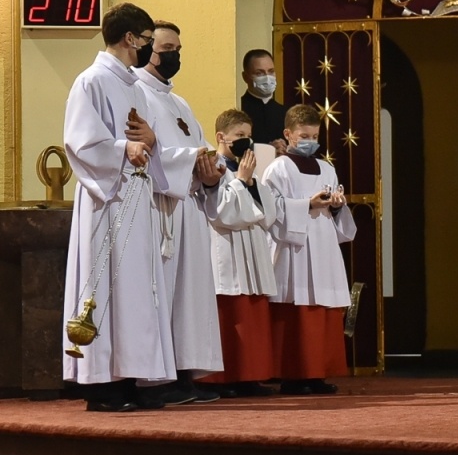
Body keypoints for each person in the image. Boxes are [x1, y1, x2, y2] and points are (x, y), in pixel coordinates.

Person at [61, 2, 175, 411]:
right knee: (107, 286)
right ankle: (101, 386)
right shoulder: (91, 81)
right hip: (106, 198)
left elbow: (147, 141)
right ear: (131, 39)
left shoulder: (131, 84)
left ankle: (131, 376)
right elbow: (80, 142)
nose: (148, 49)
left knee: (136, 291)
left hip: (136, 196)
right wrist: (123, 149)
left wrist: (151, 145)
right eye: (147, 41)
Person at [134, 20, 225, 405]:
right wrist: (192, 160)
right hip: (160, 209)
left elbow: (201, 148)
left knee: (191, 296)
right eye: (168, 48)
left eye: (178, 49)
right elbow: (145, 152)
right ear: (147, 49)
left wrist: (211, 172)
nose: (175, 56)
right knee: (165, 293)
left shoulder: (179, 102)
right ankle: (158, 378)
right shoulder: (135, 92)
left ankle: (185, 372)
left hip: (189, 207)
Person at [261, 104, 356, 394]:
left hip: (323, 245)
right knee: (297, 313)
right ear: (288, 134)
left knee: (322, 312)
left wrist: (338, 207)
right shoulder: (278, 168)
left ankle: (317, 374)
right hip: (294, 250)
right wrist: (307, 205)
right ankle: (293, 376)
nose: (310, 141)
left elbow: (339, 215)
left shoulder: (327, 167)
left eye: (315, 136)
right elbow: (268, 210)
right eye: (304, 135)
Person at [200, 109, 279, 397]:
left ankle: (250, 376)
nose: (246, 141)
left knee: (251, 313)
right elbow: (221, 212)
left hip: (251, 249)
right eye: (239, 136)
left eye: (248, 136)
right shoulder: (211, 166)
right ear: (222, 137)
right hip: (225, 247)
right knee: (230, 314)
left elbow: (267, 213)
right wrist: (241, 181)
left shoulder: (245, 170)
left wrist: (250, 182)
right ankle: (224, 379)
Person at [239, 48, 288, 156]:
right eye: (259, 73)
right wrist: (267, 151)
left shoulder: (286, 113)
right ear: (245, 77)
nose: (267, 77)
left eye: (271, 71)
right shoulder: (239, 109)